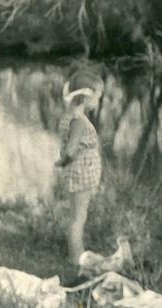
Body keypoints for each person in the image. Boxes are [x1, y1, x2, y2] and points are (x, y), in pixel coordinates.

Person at [55, 70, 104, 267]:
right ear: (85, 98)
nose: (98, 103)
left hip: (79, 172)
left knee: (77, 215)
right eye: (97, 98)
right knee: (78, 217)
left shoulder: (68, 116)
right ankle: (76, 258)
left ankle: (79, 254)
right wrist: (63, 161)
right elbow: (71, 150)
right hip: (80, 173)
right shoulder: (79, 121)